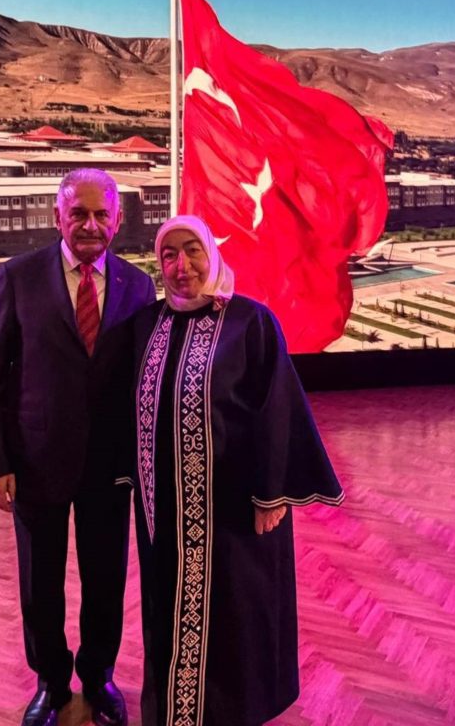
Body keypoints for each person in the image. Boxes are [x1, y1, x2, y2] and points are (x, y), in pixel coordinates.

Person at [123, 215, 345, 726]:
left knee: (238, 611)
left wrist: (272, 494)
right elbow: (123, 407)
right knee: (167, 610)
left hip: (235, 511)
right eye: (169, 255)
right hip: (164, 515)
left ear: (212, 254)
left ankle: (238, 712)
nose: (182, 265)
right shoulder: (145, 326)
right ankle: (173, 712)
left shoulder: (251, 322)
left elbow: (277, 409)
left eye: (193, 250)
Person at [0, 168, 156, 726]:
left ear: (117, 221)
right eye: (79, 213)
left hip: (109, 466)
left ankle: (98, 677)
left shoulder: (138, 285)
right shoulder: (17, 277)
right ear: (59, 217)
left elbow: (147, 374)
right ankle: (51, 683)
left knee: (106, 580)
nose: (90, 225)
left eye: (102, 215)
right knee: (40, 583)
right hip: (34, 462)